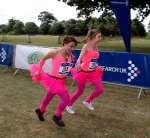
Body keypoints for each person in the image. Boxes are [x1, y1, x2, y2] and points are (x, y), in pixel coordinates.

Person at [30, 36, 77, 127]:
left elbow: (67, 67)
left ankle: (40, 110)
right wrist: (39, 71)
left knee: (49, 97)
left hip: (62, 81)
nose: (72, 49)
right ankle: (57, 116)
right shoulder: (55, 52)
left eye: (74, 47)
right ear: (64, 43)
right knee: (66, 98)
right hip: (54, 80)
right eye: (71, 46)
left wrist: (74, 71)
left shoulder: (70, 55)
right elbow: (42, 60)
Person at [66, 29, 104, 114]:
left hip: (93, 72)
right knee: (80, 91)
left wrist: (97, 65)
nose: (100, 38)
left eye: (100, 36)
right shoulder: (86, 46)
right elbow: (80, 57)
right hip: (83, 72)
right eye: (99, 37)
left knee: (100, 89)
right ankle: (68, 105)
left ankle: (87, 101)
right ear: (93, 37)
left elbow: (93, 59)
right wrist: (78, 62)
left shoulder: (96, 46)